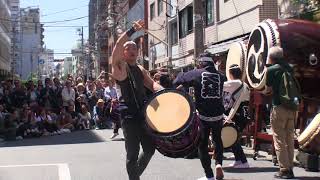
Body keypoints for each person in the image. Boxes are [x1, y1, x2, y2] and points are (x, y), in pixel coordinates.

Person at [111, 19, 163, 180]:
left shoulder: (140, 69)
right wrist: (132, 30)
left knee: (149, 149)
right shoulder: (120, 67)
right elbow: (117, 46)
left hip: (143, 114)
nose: (132, 50)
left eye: (135, 47)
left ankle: (134, 176)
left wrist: (165, 92)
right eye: (128, 48)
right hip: (128, 116)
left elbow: (152, 84)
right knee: (132, 155)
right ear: (124, 53)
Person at [173, 52, 226, 180]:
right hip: (218, 115)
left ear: (201, 62)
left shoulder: (196, 73)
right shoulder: (221, 75)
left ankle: (209, 175)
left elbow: (177, 80)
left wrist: (188, 77)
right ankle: (218, 163)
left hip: (203, 116)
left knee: (202, 145)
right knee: (217, 140)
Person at [262, 47, 297, 179]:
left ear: (271, 57)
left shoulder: (271, 70)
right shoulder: (290, 68)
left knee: (279, 138)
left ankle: (284, 169)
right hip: (292, 107)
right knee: (289, 138)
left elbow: (268, 90)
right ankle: (290, 168)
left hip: (279, 106)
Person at [223, 64, 250, 168]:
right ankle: (238, 160)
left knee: (233, 137)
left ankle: (244, 162)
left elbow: (221, 85)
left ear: (230, 74)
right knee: (234, 137)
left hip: (238, 114)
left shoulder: (236, 83)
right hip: (243, 113)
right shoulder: (245, 84)